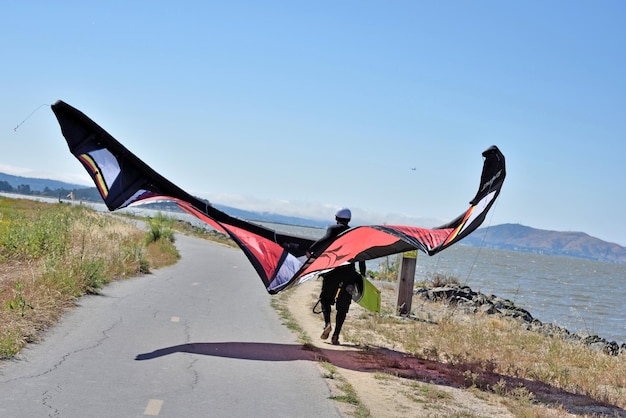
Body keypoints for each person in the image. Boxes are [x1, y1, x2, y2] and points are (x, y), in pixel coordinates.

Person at [307, 208, 359, 345]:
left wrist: (310, 251)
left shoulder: (334, 229)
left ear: (336, 218)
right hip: (349, 274)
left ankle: (327, 324)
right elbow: (361, 254)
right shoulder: (354, 233)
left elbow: (324, 240)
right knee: (343, 306)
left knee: (325, 299)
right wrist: (362, 274)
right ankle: (336, 335)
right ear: (349, 220)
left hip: (333, 272)